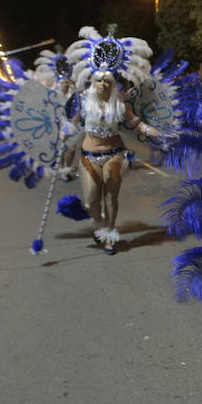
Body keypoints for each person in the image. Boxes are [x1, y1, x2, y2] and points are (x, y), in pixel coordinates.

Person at [65, 28, 165, 254]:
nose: (103, 84)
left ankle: (110, 234)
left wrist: (154, 132)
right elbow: (72, 123)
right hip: (89, 155)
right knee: (91, 201)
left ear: (112, 83)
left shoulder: (120, 104)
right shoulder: (84, 102)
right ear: (93, 82)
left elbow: (135, 124)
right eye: (99, 81)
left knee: (111, 197)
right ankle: (99, 224)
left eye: (107, 81)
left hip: (114, 154)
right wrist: (65, 131)